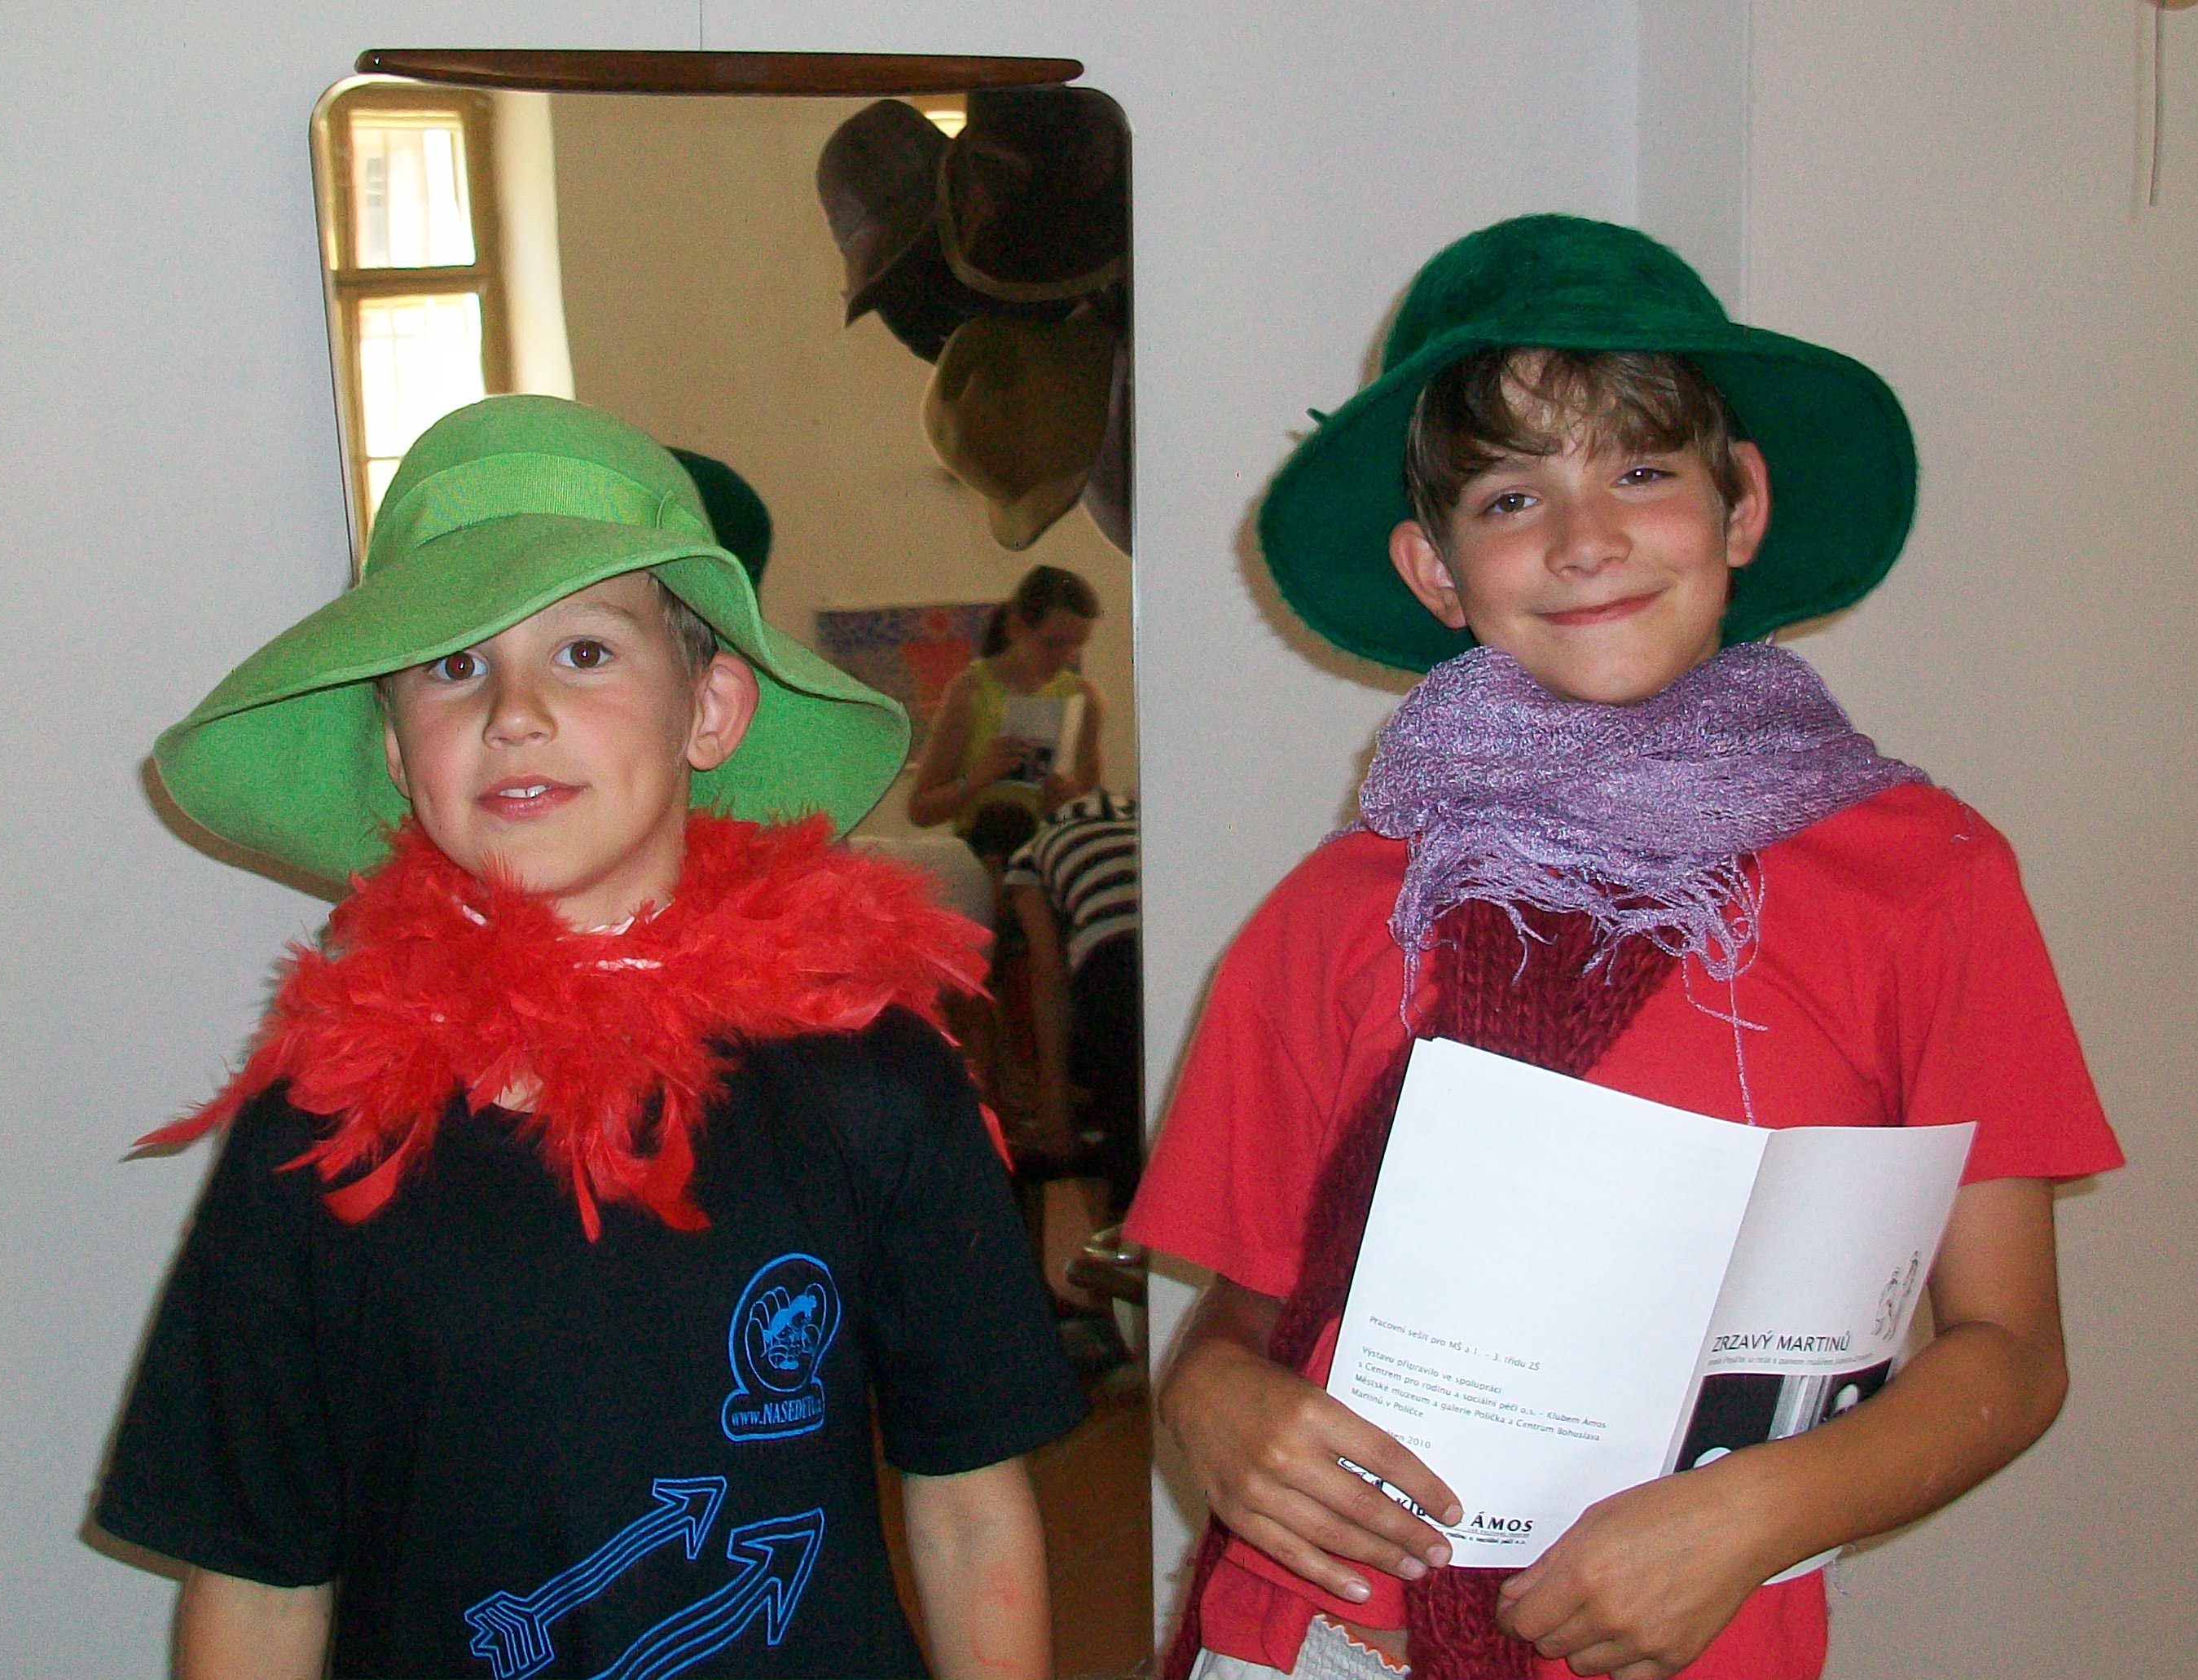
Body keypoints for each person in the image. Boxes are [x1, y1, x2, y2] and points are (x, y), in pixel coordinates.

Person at [1124, 215, 2123, 1680]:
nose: (1585, 539)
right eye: (1510, 494)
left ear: (1740, 506)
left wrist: (1746, 1515)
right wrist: (1206, 1398)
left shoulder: (1924, 881)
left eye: (1641, 470)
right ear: (1433, 569)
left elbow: (2010, 1352)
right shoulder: (1339, 909)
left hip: (1677, 1646)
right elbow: (1251, 1306)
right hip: (1315, 1640)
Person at [98, 395, 1085, 1680]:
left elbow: (968, 1512)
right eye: (453, 665)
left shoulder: (875, 1081)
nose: (514, 710)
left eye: (583, 651)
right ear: (395, 748)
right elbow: (261, 1590)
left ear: (711, 708)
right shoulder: (321, 1127)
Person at [1000, 790, 1142, 1335]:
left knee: (1125, 1146)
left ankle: (1121, 1318)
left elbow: (1048, 978)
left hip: (1110, 963)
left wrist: (1054, 1110)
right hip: (1177, 948)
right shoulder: (1137, 813)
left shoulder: (1030, 853)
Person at [906, 564, 1107, 837]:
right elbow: (919, 811)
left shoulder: (1083, 698)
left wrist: (1072, 801)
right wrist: (977, 778)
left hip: (1054, 848)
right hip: (984, 850)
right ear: (1015, 628)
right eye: (1053, 644)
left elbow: (1095, 810)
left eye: (1076, 646)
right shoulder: (970, 692)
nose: (1066, 657)